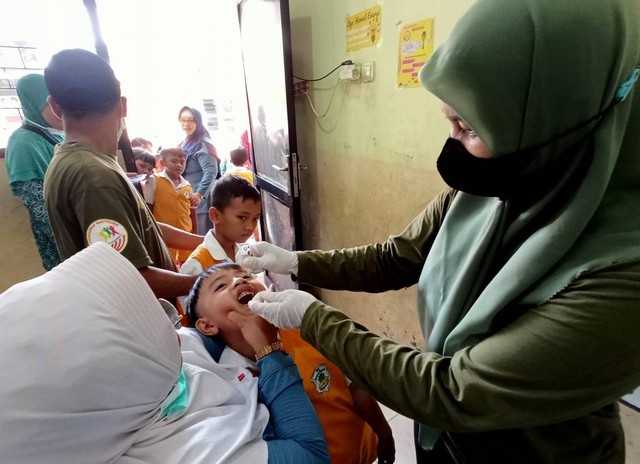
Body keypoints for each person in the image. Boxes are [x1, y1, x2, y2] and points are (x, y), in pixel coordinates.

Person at [236, 1, 640, 463]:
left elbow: (453, 390)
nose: (452, 145)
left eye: (467, 127)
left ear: (554, 118)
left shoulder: (623, 278)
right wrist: (296, 262)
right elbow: (396, 258)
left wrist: (315, 320)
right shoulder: (498, 183)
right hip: (446, 437)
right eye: (449, 119)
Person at [0, 242, 329, 464]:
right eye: (137, 324)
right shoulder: (192, 450)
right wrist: (268, 351)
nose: (167, 319)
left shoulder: (138, 384)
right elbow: (311, 453)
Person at [186, 262, 395, 464]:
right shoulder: (229, 380)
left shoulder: (304, 330)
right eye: (221, 286)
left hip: (362, 450)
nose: (239, 281)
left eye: (246, 275)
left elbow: (356, 389)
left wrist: (384, 432)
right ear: (207, 325)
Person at [43, 48, 203, 299]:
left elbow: (144, 227)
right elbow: (131, 279)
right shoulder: (93, 176)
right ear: (123, 105)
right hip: (136, 324)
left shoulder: (86, 162)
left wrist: (207, 242)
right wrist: (211, 281)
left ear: (54, 105)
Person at [178, 175, 261, 314]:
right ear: (215, 216)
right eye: (242, 217)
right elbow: (190, 319)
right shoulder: (196, 266)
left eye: (255, 219)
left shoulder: (243, 253)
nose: (250, 227)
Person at [5, 73, 63, 271]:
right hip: (66, 241)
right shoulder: (23, 143)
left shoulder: (59, 135)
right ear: (34, 104)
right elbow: (42, 211)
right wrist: (77, 247)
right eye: (51, 103)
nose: (60, 108)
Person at [144, 147, 196, 263]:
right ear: (162, 163)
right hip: (164, 233)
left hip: (185, 231)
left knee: (187, 261)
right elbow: (148, 207)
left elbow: (191, 210)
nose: (179, 165)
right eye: (174, 161)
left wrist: (194, 232)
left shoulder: (186, 185)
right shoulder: (154, 180)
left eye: (182, 162)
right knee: (167, 260)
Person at [179, 105, 221, 235]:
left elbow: (210, 172)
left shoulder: (202, 143)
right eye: (183, 120)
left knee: (202, 235)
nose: (186, 124)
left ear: (198, 122)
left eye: (191, 120)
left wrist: (199, 194)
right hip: (190, 197)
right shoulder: (187, 141)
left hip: (201, 200)